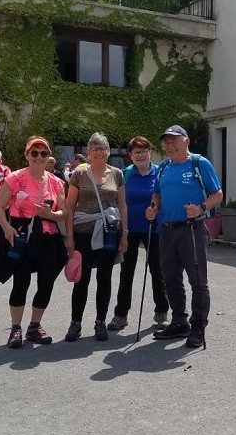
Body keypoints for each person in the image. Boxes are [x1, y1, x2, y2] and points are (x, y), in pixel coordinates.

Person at [146, 125, 223, 349]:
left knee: (197, 280)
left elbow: (217, 194)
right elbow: (157, 194)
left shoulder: (199, 163)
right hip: (167, 229)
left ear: (186, 141)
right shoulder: (163, 168)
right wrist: (153, 208)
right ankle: (179, 322)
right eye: (166, 142)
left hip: (192, 228)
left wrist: (201, 208)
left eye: (174, 141)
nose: (170, 146)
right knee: (170, 278)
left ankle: (198, 326)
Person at [0, 136, 67, 348]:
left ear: (48, 156)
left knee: (46, 283)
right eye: (34, 153)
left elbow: (64, 211)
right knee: (21, 281)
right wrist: (7, 229)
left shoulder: (56, 181)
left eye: (43, 153)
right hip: (22, 234)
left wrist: (50, 214)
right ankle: (16, 328)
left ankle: (35, 326)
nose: (39, 157)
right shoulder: (15, 178)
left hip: (48, 236)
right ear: (27, 155)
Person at [63, 133, 128, 342]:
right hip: (83, 233)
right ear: (88, 153)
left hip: (109, 233)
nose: (99, 152)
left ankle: (100, 322)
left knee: (105, 278)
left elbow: (122, 206)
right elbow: (70, 207)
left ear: (109, 151)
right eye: (95, 148)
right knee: (81, 279)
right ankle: (75, 322)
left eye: (103, 148)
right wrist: (69, 237)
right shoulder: (80, 174)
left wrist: (124, 234)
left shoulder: (117, 174)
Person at [109, 136, 170, 330]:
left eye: (144, 151)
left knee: (157, 271)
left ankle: (162, 311)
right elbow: (118, 202)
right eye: (136, 152)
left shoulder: (160, 172)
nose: (141, 155)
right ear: (130, 156)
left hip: (155, 229)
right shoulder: (125, 174)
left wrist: (157, 210)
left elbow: (165, 198)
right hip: (129, 230)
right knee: (126, 272)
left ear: (150, 152)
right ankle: (121, 315)